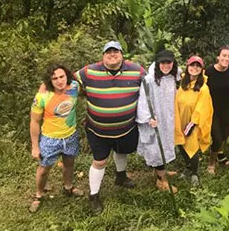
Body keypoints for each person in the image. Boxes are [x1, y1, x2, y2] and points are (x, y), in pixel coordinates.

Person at [76, 41, 144, 215]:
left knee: (122, 151)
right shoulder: (88, 72)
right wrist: (45, 88)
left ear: (122, 54)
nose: (112, 54)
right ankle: (94, 195)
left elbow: (153, 83)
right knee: (99, 161)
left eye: (116, 51)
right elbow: (65, 81)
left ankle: (120, 177)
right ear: (103, 55)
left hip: (127, 127)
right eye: (109, 52)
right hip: (97, 129)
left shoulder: (137, 70)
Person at [28, 64, 82, 213]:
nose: (59, 81)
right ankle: (38, 195)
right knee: (44, 169)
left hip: (70, 135)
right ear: (49, 81)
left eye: (61, 76)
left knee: (69, 164)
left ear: (67, 76)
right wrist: (35, 146)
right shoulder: (42, 97)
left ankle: (68, 187)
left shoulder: (74, 87)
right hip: (50, 139)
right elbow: (34, 121)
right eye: (54, 78)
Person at [137, 50, 179, 192]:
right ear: (157, 64)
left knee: (166, 144)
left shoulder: (174, 76)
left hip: (168, 118)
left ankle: (162, 171)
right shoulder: (150, 79)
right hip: (155, 119)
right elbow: (143, 100)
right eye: (163, 63)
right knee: (157, 147)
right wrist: (148, 118)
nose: (166, 65)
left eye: (169, 62)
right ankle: (161, 180)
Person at [174, 55, 214, 185]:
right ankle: (188, 167)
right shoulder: (183, 84)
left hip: (193, 123)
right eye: (192, 65)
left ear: (201, 69)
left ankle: (194, 173)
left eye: (198, 66)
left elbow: (202, 107)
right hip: (180, 120)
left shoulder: (203, 87)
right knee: (181, 144)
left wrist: (193, 123)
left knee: (192, 146)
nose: (194, 68)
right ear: (188, 66)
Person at [205, 46, 229, 173]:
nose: (226, 58)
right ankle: (211, 164)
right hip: (212, 110)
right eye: (224, 55)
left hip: (228, 108)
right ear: (218, 57)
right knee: (217, 138)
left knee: (224, 135)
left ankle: (220, 156)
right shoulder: (208, 72)